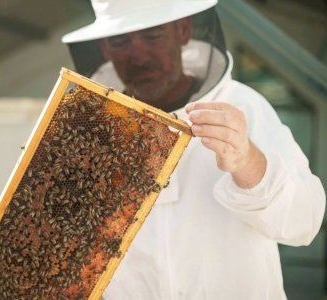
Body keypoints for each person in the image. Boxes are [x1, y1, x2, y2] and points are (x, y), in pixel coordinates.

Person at [62, 0, 326, 299]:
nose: (138, 55)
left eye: (153, 35)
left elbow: (304, 223)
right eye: (120, 41)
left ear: (183, 31)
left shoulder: (244, 106)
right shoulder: (90, 130)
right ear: (105, 49)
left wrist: (248, 161)